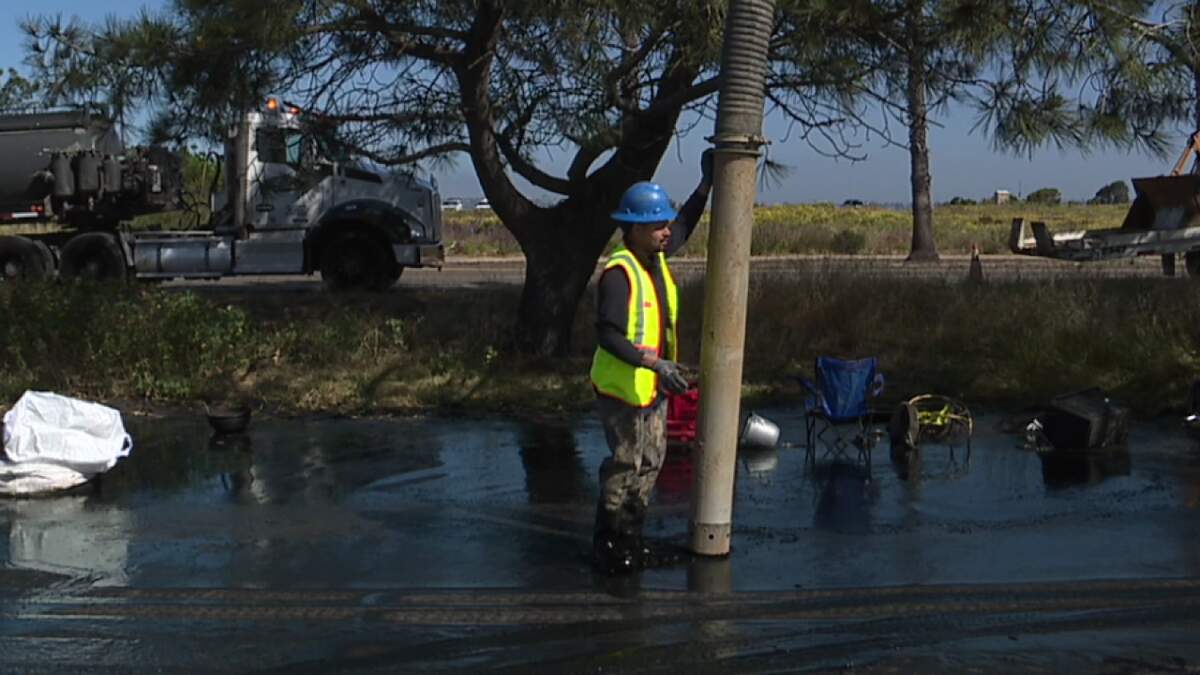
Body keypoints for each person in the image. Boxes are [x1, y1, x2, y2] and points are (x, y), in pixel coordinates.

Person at [590, 152, 712, 575]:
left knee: (651, 462)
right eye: (658, 224)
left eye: (665, 223)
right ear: (635, 228)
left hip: (651, 389)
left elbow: (684, 228)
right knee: (626, 465)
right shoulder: (620, 273)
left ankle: (631, 539)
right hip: (623, 389)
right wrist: (655, 364)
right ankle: (609, 545)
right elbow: (607, 336)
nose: (666, 231)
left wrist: (704, 186)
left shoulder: (654, 258)